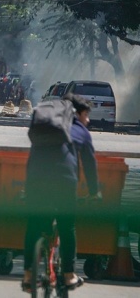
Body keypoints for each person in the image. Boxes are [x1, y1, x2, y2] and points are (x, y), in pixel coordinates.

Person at [22, 93, 99, 293]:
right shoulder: (80, 131)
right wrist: (93, 192)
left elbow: (33, 156)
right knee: (67, 226)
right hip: (64, 181)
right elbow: (89, 164)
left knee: (34, 223)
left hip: (35, 179)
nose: (88, 120)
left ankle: (28, 275)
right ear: (78, 114)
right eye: (87, 115)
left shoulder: (46, 125)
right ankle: (68, 274)